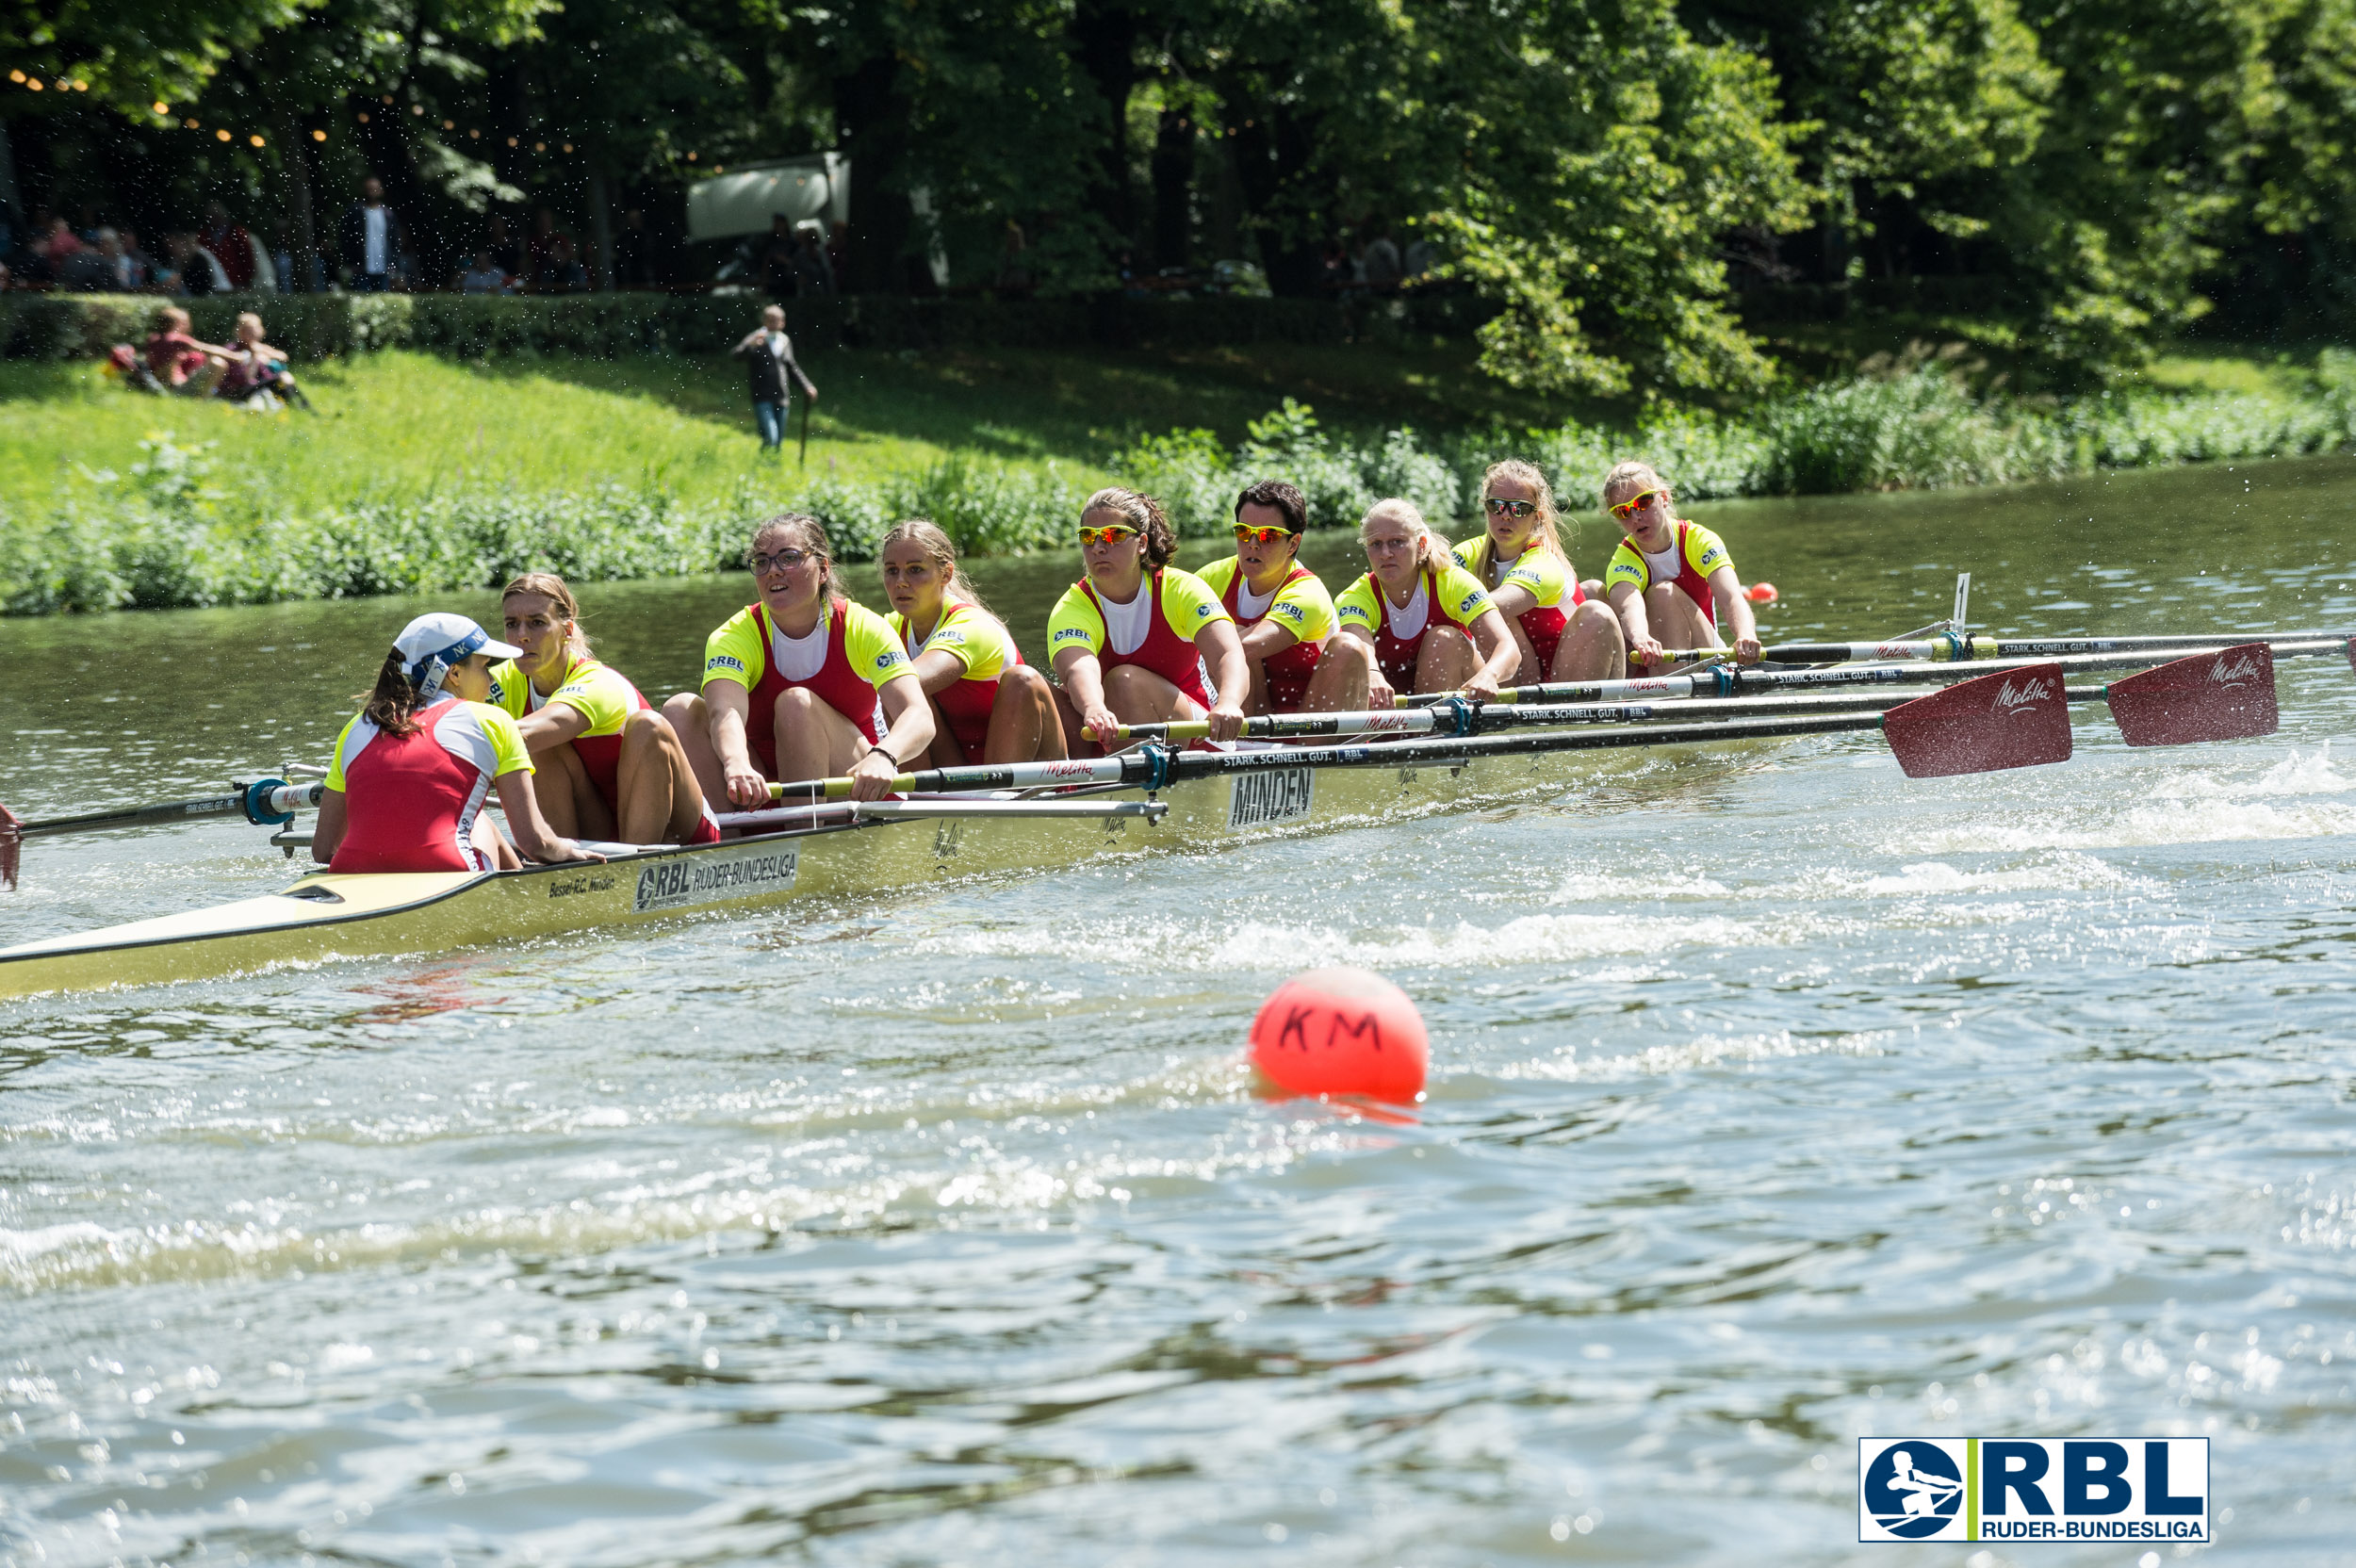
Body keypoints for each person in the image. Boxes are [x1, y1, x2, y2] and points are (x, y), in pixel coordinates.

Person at [663, 514, 935, 808]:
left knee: (796, 703)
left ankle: (801, 832)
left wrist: (884, 756)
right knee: (680, 710)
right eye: (762, 561)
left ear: (823, 569)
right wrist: (736, 763)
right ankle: (727, 839)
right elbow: (724, 714)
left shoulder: (862, 627)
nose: (773, 571)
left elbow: (918, 716)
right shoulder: (733, 636)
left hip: (857, 789)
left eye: (788, 558)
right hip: (761, 788)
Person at [311, 613, 599, 874]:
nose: (490, 680)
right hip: (450, 872)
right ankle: (525, 897)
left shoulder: (356, 727)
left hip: (350, 873)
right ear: (454, 674)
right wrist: (569, 851)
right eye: (485, 668)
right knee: (479, 820)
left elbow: (323, 849)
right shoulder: (492, 720)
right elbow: (536, 843)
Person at [490, 573, 717, 845]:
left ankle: (634, 865)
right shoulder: (501, 679)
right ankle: (557, 866)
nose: (522, 636)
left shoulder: (598, 683)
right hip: (599, 827)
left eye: (537, 623)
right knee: (540, 748)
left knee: (648, 726)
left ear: (568, 630)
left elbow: (529, 731)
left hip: (676, 826)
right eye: (511, 624)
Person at [1048, 487, 1248, 752]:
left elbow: (1228, 655)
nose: (1097, 547)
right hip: (1112, 729)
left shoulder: (1181, 589)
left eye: (1113, 535)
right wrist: (1094, 708)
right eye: (1088, 537)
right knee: (1028, 686)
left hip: (1200, 737)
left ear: (1142, 543)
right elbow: (1078, 669)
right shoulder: (1072, 606)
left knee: (1123, 681)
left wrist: (1230, 702)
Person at [877, 519, 1067, 766]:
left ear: (946, 574)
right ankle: (915, 797)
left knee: (1022, 679)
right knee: (896, 694)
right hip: (957, 771)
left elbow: (912, 678)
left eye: (915, 570)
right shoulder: (891, 628)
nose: (900, 581)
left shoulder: (972, 625)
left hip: (1021, 773)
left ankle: (994, 795)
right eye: (892, 570)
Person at [1307, 498, 1518, 710]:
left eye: (1397, 542)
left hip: (1454, 705)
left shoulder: (1454, 583)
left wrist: (1489, 675)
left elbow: (1508, 649)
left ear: (1422, 545)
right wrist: (1372, 674)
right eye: (1376, 544)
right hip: (1388, 709)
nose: (1386, 553)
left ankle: (1437, 735)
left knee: (1443, 639)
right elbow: (1361, 646)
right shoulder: (1354, 597)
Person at [1453, 460, 1626, 682]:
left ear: (1538, 516)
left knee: (1595, 613)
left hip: (1565, 681)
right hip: (1519, 677)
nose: (1506, 515)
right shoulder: (1472, 551)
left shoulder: (1545, 562)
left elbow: (1493, 604)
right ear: (1485, 507)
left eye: (1519, 508)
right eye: (1496, 505)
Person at [1191, 480, 1335, 715]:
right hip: (1246, 718)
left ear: (1293, 544)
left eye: (1268, 535)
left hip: (1306, 726)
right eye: (1244, 532)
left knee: (1232, 638)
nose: (1253, 544)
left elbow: (1249, 645)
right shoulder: (1213, 576)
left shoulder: (1308, 592)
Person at [1599, 462, 1762, 668]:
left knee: (1662, 593)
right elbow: (1628, 606)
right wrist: (1640, 635)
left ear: (1664, 498)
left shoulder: (1699, 540)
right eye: (1622, 512)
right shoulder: (1624, 559)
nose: (1635, 517)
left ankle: (1667, 689)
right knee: (1593, 594)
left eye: (1642, 502)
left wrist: (1746, 634)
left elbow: (1731, 598)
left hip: (1706, 656)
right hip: (1653, 659)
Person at [731, 304, 816, 452]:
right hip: (762, 396)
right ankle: (764, 466)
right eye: (770, 320)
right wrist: (750, 346)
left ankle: (770, 469)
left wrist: (807, 386)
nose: (773, 324)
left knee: (778, 441)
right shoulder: (756, 338)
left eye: (776, 320)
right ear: (764, 321)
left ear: (782, 322)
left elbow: (792, 368)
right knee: (771, 436)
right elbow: (735, 356)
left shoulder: (785, 341)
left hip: (782, 396)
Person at [213, 312, 307, 410]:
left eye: (255, 332)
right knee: (281, 377)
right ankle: (299, 406)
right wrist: (254, 357)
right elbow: (247, 379)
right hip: (239, 390)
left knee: (283, 376)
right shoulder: (233, 350)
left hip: (256, 387)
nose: (252, 335)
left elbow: (283, 357)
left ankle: (298, 404)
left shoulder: (260, 348)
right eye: (248, 332)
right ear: (240, 332)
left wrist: (264, 354)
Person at [134, 306, 230, 396]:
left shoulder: (153, 339)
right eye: (184, 322)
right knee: (217, 363)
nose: (188, 325)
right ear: (176, 323)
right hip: (178, 389)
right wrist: (237, 356)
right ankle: (203, 399)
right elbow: (210, 350)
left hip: (165, 387)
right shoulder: (176, 339)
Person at [338, 176, 406, 292]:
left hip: (383, 268)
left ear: (381, 191)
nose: (372, 192)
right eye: (369, 189)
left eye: (375, 189)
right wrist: (349, 261)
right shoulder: (354, 212)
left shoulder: (388, 214)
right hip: (360, 268)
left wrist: (394, 264)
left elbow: (394, 240)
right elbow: (345, 239)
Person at [759, 214, 800, 301]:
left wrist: (787, 261)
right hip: (774, 281)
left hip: (789, 280)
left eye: (779, 223)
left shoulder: (793, 243)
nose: (777, 226)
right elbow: (765, 263)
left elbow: (799, 262)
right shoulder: (770, 242)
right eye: (776, 224)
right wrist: (764, 283)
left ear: (785, 224)